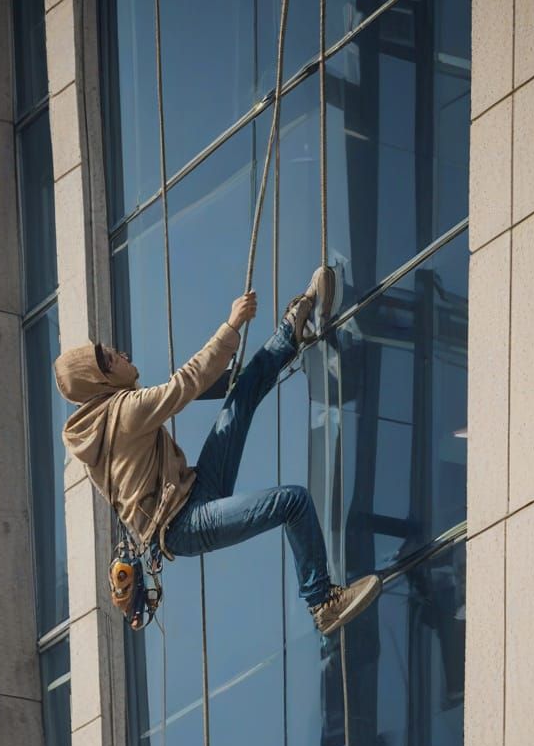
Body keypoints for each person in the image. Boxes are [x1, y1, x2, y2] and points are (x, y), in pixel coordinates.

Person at [54, 267, 382, 636]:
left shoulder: (104, 422)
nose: (122, 354)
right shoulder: (124, 413)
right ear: (102, 381)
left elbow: (187, 387)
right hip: (183, 524)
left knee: (241, 396)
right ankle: (323, 603)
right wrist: (232, 325)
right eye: (112, 358)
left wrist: (229, 378)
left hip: (193, 492)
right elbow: (186, 382)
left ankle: (292, 330)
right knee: (292, 502)